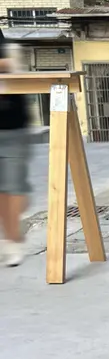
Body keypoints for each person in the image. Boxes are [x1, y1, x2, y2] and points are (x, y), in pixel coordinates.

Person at [0, 31, 31, 268]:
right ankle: (10, 237)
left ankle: (13, 240)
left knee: (14, 188)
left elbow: (11, 62)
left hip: (12, 126)